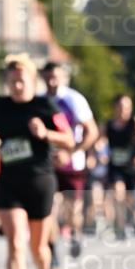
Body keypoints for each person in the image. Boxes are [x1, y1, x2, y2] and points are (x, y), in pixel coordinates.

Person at [0, 54, 74, 269]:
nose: (16, 85)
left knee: (38, 247)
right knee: (15, 243)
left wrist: (45, 134)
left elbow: (69, 140)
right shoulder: (0, 105)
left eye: (21, 80)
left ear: (31, 80)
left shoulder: (45, 105)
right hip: (9, 182)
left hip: (39, 181)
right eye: (12, 81)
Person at [41, 61, 98, 258]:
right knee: (50, 207)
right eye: (48, 77)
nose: (52, 81)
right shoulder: (38, 100)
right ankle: (52, 249)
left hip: (72, 163)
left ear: (63, 77)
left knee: (72, 209)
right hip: (47, 163)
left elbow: (92, 132)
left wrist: (71, 152)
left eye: (55, 76)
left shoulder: (74, 99)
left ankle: (75, 234)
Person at [101, 95, 135, 238]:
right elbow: (97, 140)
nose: (124, 111)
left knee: (130, 197)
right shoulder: (108, 125)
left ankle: (130, 220)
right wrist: (97, 154)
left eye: (127, 107)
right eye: (121, 107)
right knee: (118, 192)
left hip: (131, 166)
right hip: (115, 166)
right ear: (115, 108)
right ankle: (120, 226)